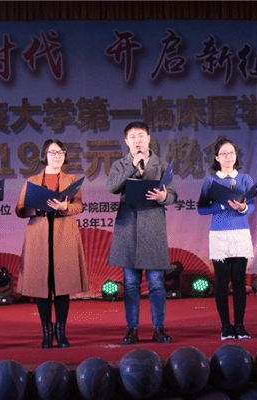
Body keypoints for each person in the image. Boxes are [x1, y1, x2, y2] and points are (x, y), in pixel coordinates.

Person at [106, 121, 177, 344]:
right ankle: (132, 329)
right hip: (128, 228)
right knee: (130, 284)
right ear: (126, 142)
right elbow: (112, 187)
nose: (137, 140)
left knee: (156, 283)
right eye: (133, 137)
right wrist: (132, 166)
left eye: (141, 136)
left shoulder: (161, 164)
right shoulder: (120, 164)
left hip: (153, 228)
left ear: (149, 139)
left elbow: (173, 194)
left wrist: (164, 197)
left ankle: (159, 328)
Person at [15, 139, 89, 349]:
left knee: (62, 285)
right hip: (39, 235)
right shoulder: (32, 180)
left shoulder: (71, 180)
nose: (57, 156)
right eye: (52, 152)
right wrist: (36, 208)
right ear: (44, 155)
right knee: (42, 287)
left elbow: (78, 206)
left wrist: (65, 207)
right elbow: (20, 209)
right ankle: (47, 333)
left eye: (60, 152)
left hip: (64, 233)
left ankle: (61, 332)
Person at [197, 138, 255, 341]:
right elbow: (201, 209)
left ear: (236, 156)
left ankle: (239, 325)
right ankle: (226, 327)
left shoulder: (245, 179)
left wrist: (243, 207)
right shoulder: (211, 181)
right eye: (224, 153)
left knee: (239, 281)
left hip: (240, 233)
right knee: (222, 282)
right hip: (219, 234)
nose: (228, 156)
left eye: (231, 152)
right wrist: (221, 206)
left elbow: (252, 205)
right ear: (216, 157)